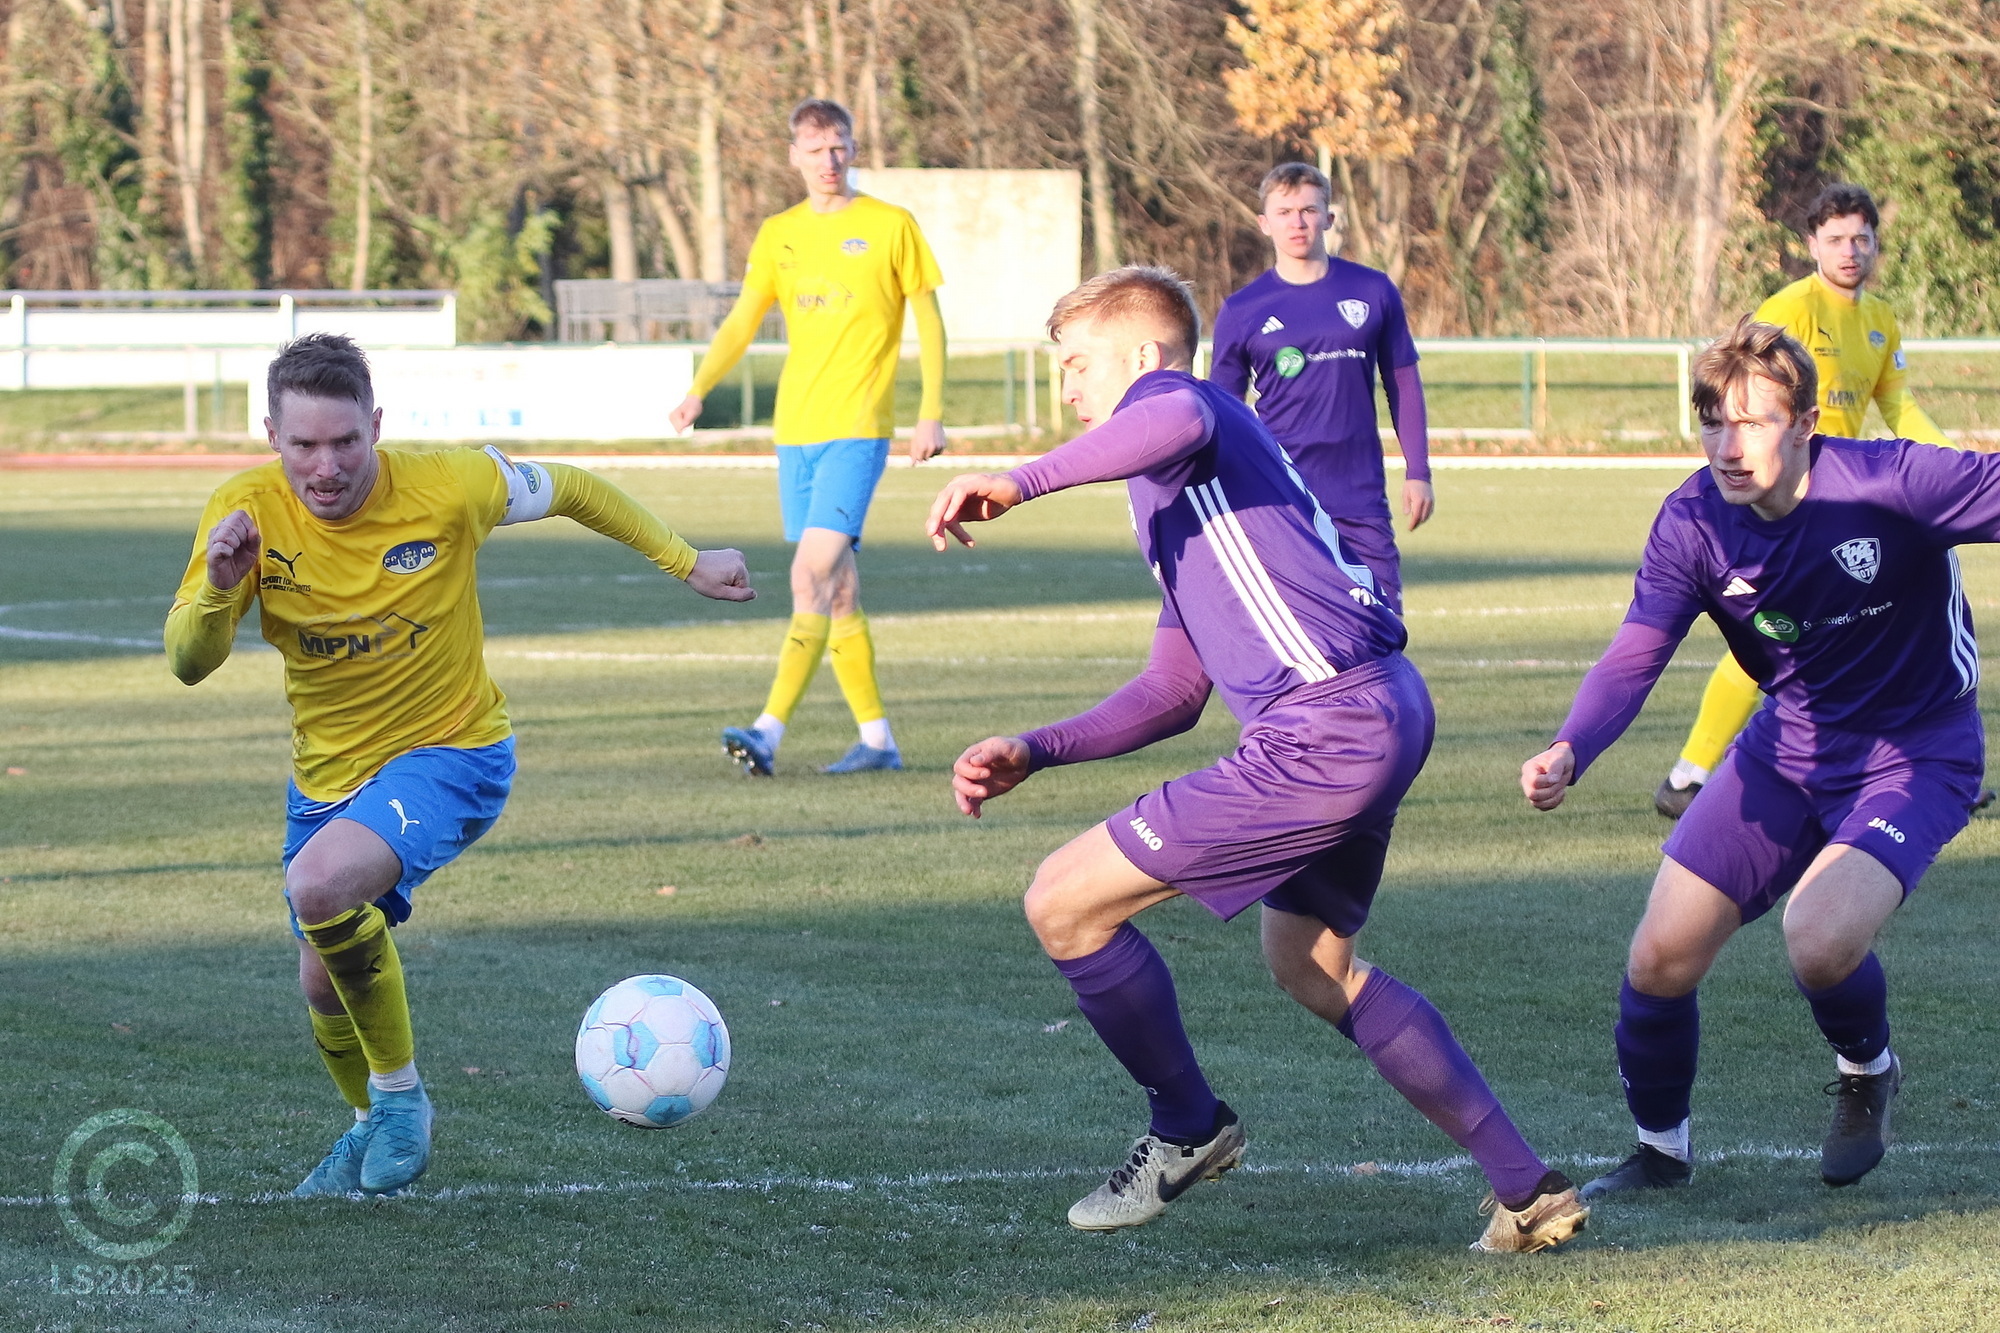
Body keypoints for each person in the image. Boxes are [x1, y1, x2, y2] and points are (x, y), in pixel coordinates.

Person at [927, 266, 1585, 1252]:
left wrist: (1022, 480)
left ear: (1141, 355)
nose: (1065, 390)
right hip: (1379, 709)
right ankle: (1528, 1189)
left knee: (1062, 901)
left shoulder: (1178, 408)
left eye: (1076, 365)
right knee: (1313, 967)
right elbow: (1173, 689)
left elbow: (1175, 413)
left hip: (1324, 730)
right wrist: (1039, 748)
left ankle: (1188, 1126)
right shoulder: (1175, 489)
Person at [167, 333, 754, 1197]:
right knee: (323, 983)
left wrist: (688, 560)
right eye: (304, 445)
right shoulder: (243, 512)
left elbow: (571, 487)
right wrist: (222, 585)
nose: (326, 466)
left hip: (453, 751)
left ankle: (401, 1100)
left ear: (376, 425)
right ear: (271, 436)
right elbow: (189, 661)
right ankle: (367, 1125)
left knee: (319, 888)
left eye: (345, 441)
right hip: (327, 777)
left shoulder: (450, 485)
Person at [1522, 316, 1996, 1198]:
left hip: (1918, 754)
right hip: (1789, 747)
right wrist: (1571, 745)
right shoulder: (1693, 522)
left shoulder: (1894, 482)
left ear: (1807, 422)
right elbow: (1636, 652)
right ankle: (1660, 1153)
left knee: (1817, 937)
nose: (1727, 447)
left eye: (1752, 422)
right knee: (1660, 957)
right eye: (1712, 423)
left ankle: (1869, 1068)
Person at [1656, 183, 1956, 818]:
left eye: (1861, 238)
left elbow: (1898, 405)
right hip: (1787, 499)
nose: (1850, 251)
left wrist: (1949, 464)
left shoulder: (1880, 320)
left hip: (1851, 504)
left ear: (1876, 244)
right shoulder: (1787, 311)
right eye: (1836, 238)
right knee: (1774, 634)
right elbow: (1740, 398)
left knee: (1883, 624)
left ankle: (1918, 761)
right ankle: (1691, 772)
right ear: (1812, 244)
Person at [670, 97, 946, 777]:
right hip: (794, 432)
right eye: (817, 148)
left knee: (808, 573)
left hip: (858, 428)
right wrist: (699, 386)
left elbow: (930, 321)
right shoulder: (779, 233)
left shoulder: (891, 225)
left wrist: (931, 411)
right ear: (794, 155)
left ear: (853, 149)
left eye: (840, 145)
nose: (830, 159)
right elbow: (743, 319)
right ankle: (878, 741)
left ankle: (767, 731)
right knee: (839, 590)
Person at [1209, 162, 1432, 613]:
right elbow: (1222, 413)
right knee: (1299, 631)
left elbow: (1403, 382)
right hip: (1279, 496)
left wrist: (1418, 471)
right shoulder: (1243, 309)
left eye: (1309, 210)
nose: (1298, 222)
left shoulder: (1372, 290)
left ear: (1329, 218)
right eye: (1285, 212)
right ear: (1264, 223)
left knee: (1384, 625)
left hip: (1360, 494)